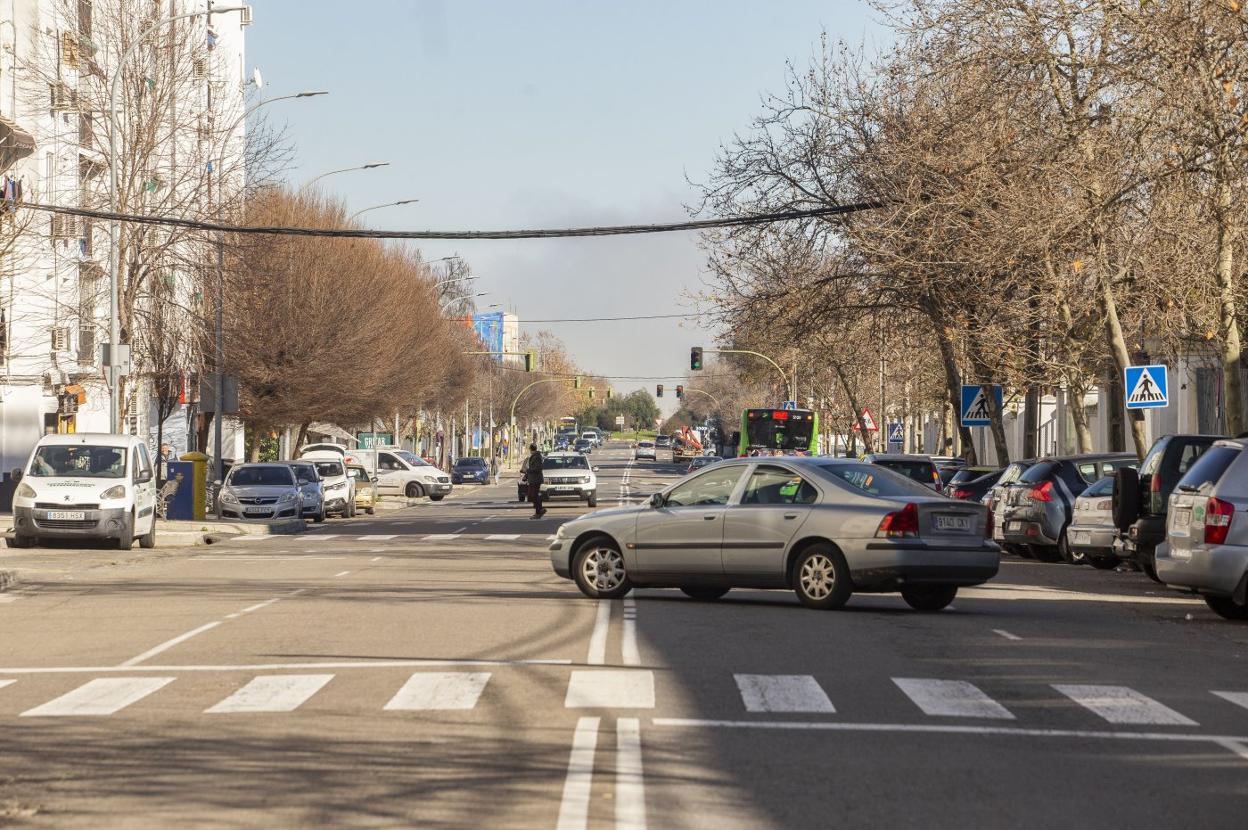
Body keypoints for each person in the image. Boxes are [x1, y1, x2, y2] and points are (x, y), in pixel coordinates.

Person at [523, 443, 546, 518]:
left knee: (533, 495)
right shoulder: (534, 456)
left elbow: (537, 468)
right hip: (532, 479)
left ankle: (539, 510)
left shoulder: (537, 457)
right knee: (531, 495)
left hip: (536, 480)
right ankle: (539, 510)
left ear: (530, 449)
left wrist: (527, 470)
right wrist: (526, 475)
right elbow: (532, 468)